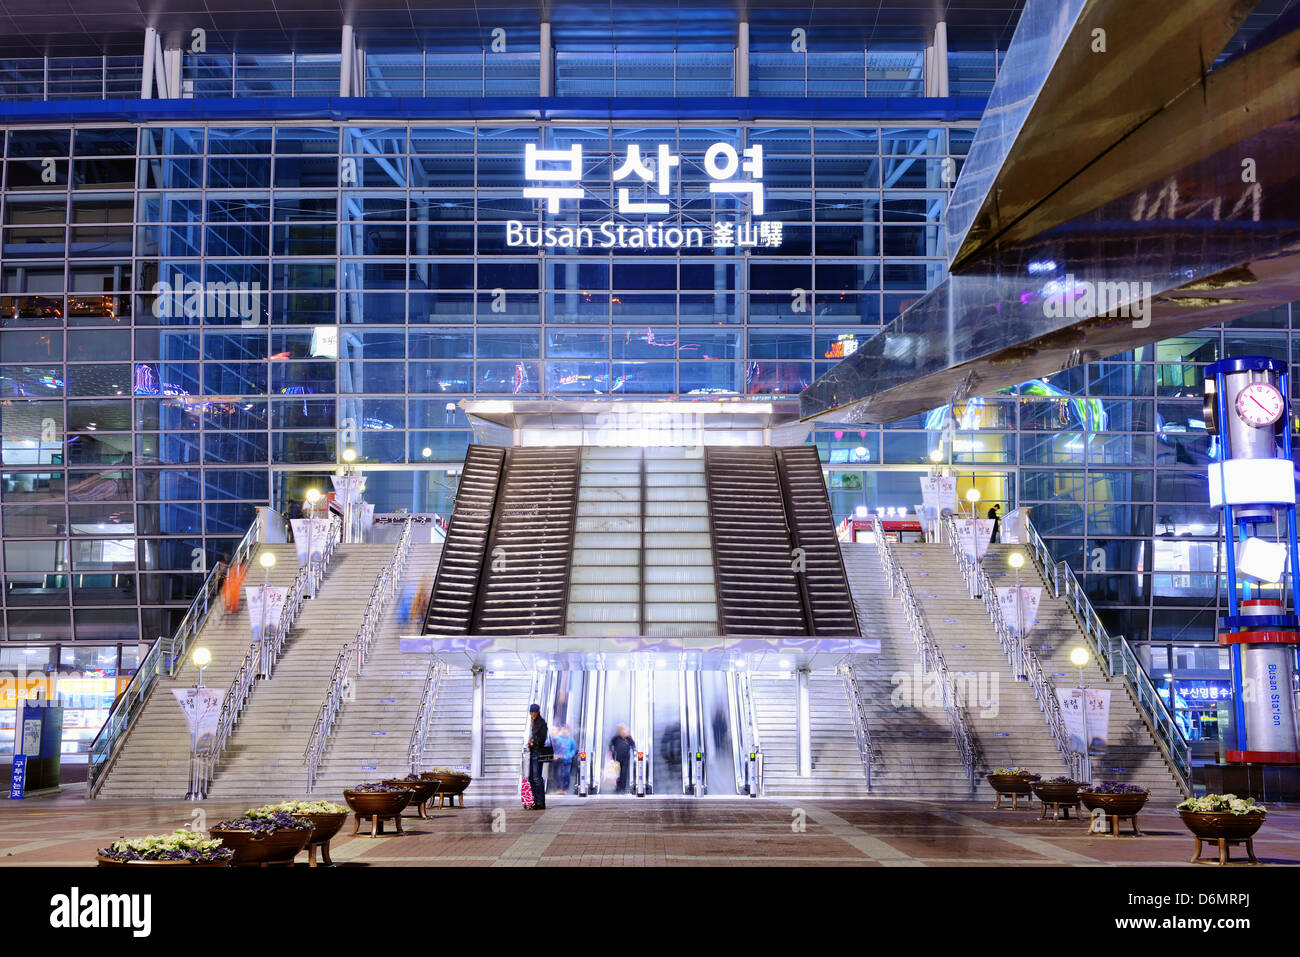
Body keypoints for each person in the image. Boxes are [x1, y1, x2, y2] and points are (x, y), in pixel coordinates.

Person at [526, 704, 548, 810]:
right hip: (532, 752)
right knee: (531, 777)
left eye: (535, 712)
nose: (533, 714)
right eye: (531, 712)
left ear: (538, 712)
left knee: (537, 777)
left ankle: (541, 802)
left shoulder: (541, 723)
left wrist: (533, 742)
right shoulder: (532, 723)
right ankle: (535, 801)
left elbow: (542, 738)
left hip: (538, 752)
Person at [609, 724, 635, 795]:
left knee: (624, 774)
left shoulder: (628, 738)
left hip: (626, 758)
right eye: (625, 730)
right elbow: (611, 744)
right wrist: (611, 751)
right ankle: (618, 788)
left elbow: (633, 744)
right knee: (617, 774)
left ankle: (622, 788)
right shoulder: (616, 738)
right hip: (617, 758)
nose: (626, 732)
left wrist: (634, 750)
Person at [551, 725, 577, 792]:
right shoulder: (557, 738)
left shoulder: (571, 739)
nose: (564, 731)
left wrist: (570, 755)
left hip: (567, 760)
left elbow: (574, 749)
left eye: (566, 729)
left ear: (568, 731)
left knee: (566, 774)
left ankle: (565, 789)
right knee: (557, 775)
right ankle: (558, 788)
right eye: (563, 729)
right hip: (557, 760)